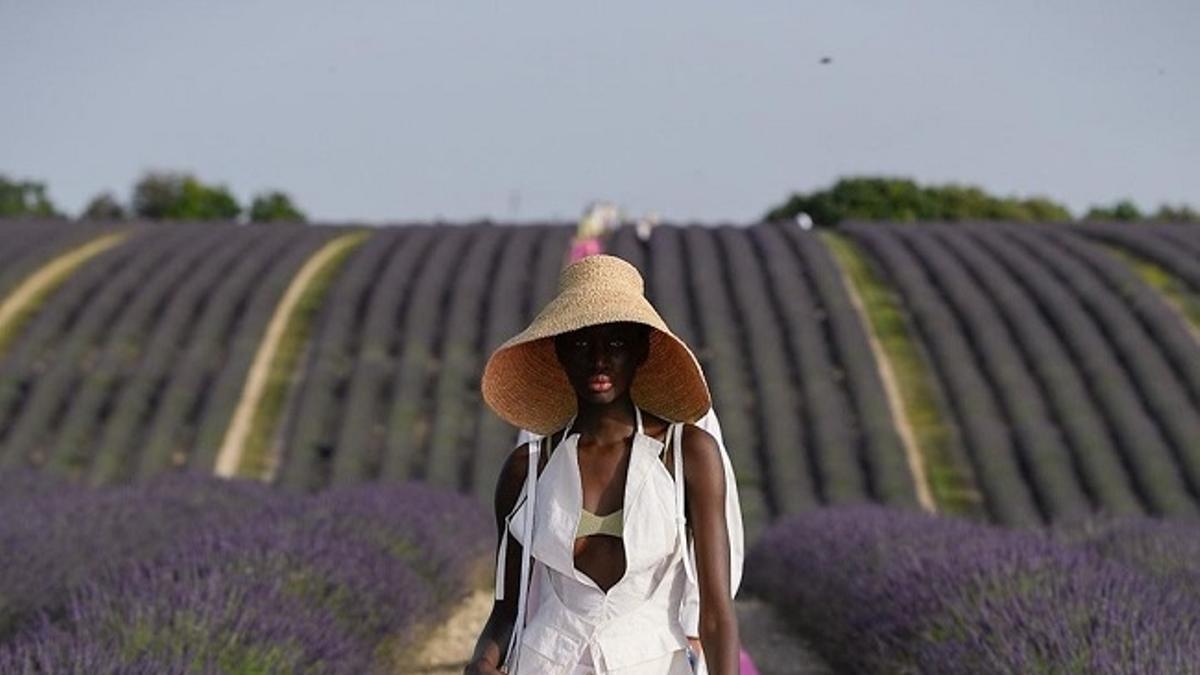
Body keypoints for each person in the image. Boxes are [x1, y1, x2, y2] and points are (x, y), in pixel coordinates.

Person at [469, 255, 741, 674]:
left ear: (640, 350)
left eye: (615, 342)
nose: (598, 360)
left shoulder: (688, 453)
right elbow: (508, 607)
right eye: (580, 343)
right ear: (558, 352)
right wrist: (482, 662)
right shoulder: (528, 469)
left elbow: (717, 613)